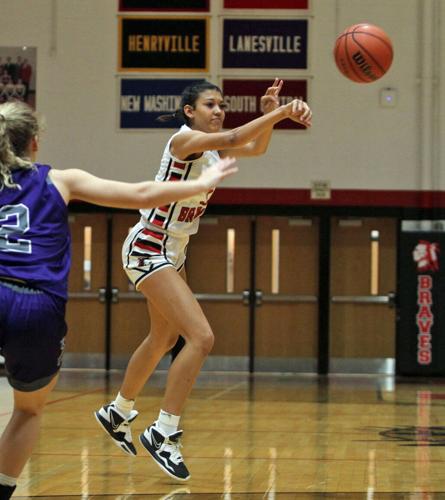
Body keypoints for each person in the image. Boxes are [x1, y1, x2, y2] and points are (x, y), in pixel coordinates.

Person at [0, 100, 237, 500]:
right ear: (36, 143)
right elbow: (141, 193)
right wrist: (197, 185)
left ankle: (122, 410)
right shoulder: (59, 179)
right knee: (26, 409)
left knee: (163, 337)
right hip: (35, 304)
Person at [95, 79, 312, 481]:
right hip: (150, 246)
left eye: (222, 104)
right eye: (210, 104)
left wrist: (269, 116)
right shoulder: (183, 142)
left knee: (162, 339)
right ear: (189, 111)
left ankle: (118, 411)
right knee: (202, 338)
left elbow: (253, 147)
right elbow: (234, 135)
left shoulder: (210, 149)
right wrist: (279, 112)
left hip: (172, 252)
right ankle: (164, 432)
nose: (219, 110)